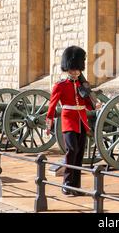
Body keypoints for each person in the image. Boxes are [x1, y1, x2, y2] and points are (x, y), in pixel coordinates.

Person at [45, 46, 101, 196]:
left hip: (82, 120)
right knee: (72, 150)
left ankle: (76, 186)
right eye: (73, 69)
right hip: (68, 120)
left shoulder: (83, 85)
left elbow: (88, 104)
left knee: (80, 153)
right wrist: (48, 123)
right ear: (67, 69)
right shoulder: (60, 85)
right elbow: (52, 105)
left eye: (77, 69)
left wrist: (95, 104)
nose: (75, 72)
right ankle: (67, 184)